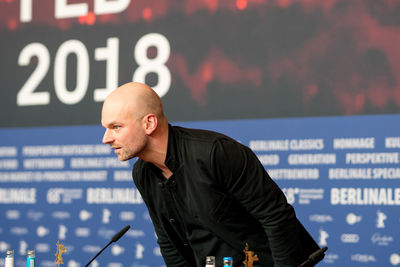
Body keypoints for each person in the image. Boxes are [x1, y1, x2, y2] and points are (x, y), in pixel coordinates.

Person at [101, 82, 321, 267]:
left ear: (149, 123)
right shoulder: (142, 173)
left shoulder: (215, 152)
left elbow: (276, 217)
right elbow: (169, 241)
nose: (106, 138)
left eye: (116, 127)